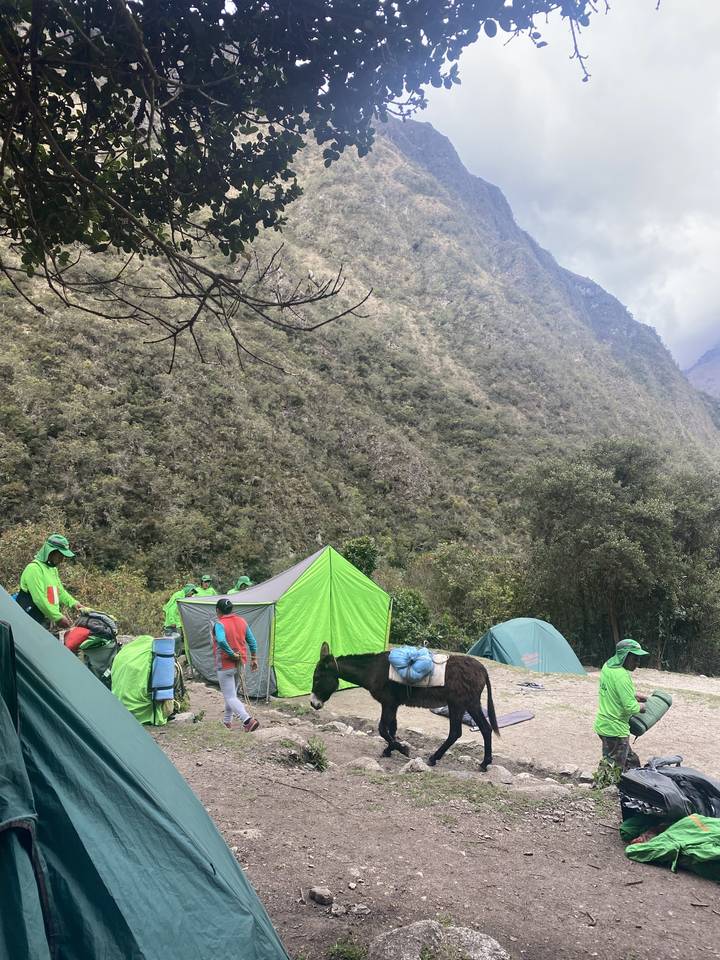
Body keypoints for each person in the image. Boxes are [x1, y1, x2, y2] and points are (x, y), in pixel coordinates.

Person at [594, 638, 650, 771]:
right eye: (635, 658)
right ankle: (600, 789)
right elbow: (630, 707)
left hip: (604, 725)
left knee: (632, 763)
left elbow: (614, 691)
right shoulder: (622, 676)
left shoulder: (608, 666)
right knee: (612, 769)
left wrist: (634, 696)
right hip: (615, 730)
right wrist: (642, 707)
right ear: (624, 656)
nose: (638, 663)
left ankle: (632, 788)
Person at [16, 534, 86, 632]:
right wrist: (58, 618)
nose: (62, 560)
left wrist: (74, 603)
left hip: (43, 620)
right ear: (50, 552)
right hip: (28, 620)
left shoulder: (52, 569)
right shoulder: (34, 569)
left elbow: (60, 592)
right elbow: (39, 599)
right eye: (60, 556)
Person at [212, 598, 260, 732]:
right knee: (231, 694)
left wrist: (230, 653)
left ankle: (247, 720)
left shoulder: (219, 624)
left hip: (225, 665)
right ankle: (227, 721)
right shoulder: (242, 621)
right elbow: (252, 642)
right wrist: (254, 659)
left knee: (230, 696)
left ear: (218, 610)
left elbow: (221, 640)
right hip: (240, 664)